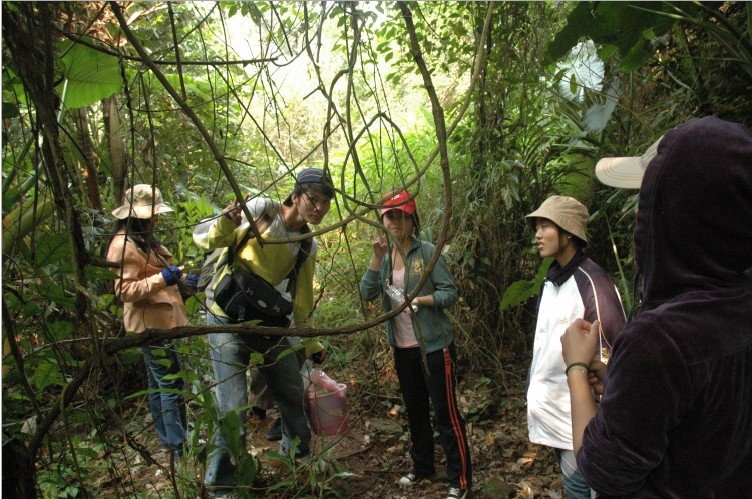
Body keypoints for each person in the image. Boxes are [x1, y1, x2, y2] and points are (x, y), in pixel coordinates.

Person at [561, 116, 752, 496]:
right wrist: (622, 378)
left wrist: (577, 368)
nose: (636, 216)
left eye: (645, 199)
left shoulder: (658, 341)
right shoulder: (738, 304)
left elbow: (602, 470)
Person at [194, 168, 334, 495]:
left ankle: (296, 467)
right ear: (296, 196)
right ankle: (223, 487)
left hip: (271, 324)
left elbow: (302, 301)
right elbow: (203, 237)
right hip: (225, 318)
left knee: (292, 394)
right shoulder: (261, 211)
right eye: (313, 199)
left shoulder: (306, 245)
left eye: (326, 203)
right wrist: (228, 220)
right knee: (232, 407)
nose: (319, 208)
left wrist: (310, 342)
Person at [360, 190, 473, 499]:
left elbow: (450, 293)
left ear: (413, 219)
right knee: (415, 411)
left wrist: (422, 300)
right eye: (390, 216)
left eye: (402, 215)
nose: (396, 221)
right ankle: (423, 466)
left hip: (435, 347)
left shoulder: (427, 252)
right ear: (383, 221)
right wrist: (375, 257)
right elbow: (368, 294)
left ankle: (460, 481)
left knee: (445, 413)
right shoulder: (384, 259)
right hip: (403, 348)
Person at [524, 195, 626, 499]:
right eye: (537, 227)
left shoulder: (593, 283)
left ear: (568, 233)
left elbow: (611, 357)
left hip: (581, 420)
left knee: (583, 488)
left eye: (545, 226)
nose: (538, 235)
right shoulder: (552, 279)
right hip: (555, 414)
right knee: (573, 487)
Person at [106, 184, 191, 459]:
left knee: (158, 385)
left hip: (159, 322)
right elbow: (125, 290)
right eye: (150, 214)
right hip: (150, 326)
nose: (155, 218)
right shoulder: (123, 245)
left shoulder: (141, 239)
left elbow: (153, 273)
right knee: (171, 385)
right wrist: (162, 279)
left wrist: (180, 281)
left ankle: (168, 441)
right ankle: (179, 447)